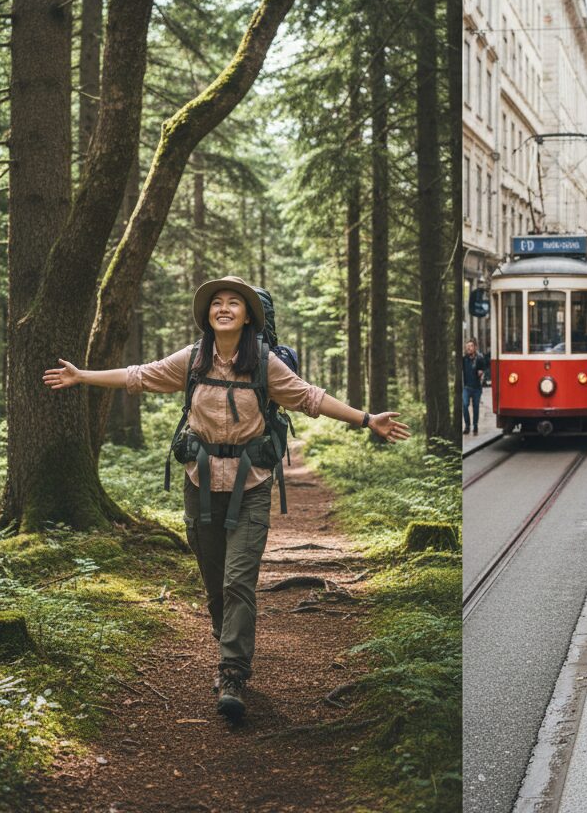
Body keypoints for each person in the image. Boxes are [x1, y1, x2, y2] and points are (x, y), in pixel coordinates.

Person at [44, 275, 409, 721]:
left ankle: (233, 672)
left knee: (239, 581)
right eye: (216, 302)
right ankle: (226, 639)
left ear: (248, 315)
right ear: (208, 315)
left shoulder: (265, 364)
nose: (223, 308)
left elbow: (310, 398)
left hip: (250, 484)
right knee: (214, 579)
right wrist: (82, 375)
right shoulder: (193, 359)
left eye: (233, 302)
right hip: (199, 482)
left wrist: (366, 418)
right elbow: (138, 376)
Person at [462, 338, 488, 436]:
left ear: (475, 347)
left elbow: (484, 368)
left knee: (476, 407)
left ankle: (475, 426)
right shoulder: (464, 359)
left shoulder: (480, 358)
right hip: (466, 387)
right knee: (464, 405)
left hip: (477, 388)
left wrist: (482, 372)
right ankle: (467, 426)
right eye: (467, 346)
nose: (469, 348)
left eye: (471, 346)